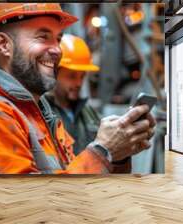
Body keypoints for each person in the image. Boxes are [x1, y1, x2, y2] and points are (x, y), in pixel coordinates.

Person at [0, 3, 156, 174]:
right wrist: (102, 150)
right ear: (4, 45)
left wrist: (117, 155)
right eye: (43, 37)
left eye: (58, 38)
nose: (58, 49)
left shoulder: (40, 115)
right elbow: (27, 209)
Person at [42, 34, 133, 172]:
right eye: (72, 76)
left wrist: (122, 155)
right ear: (53, 73)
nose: (79, 83)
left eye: (82, 76)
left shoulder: (89, 114)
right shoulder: (42, 114)